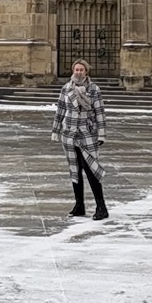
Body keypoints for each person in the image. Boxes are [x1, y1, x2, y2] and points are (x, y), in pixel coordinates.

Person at [53, 59, 108, 220]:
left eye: (81, 70)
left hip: (87, 134)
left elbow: (100, 112)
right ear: (73, 71)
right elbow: (60, 110)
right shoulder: (66, 88)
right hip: (69, 135)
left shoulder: (93, 89)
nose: (78, 72)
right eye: (76, 69)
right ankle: (79, 205)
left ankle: (101, 207)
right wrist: (56, 130)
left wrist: (101, 134)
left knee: (91, 170)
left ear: (86, 72)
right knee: (75, 170)